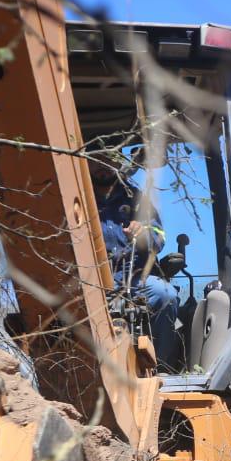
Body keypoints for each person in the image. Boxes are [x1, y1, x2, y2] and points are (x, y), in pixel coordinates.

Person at [90, 151, 179, 367]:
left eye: (108, 158)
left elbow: (159, 237)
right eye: (96, 159)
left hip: (134, 281)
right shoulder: (79, 199)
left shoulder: (136, 198)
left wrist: (142, 235)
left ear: (118, 162)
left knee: (165, 295)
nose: (103, 164)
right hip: (90, 282)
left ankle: (160, 366)